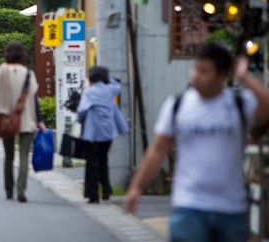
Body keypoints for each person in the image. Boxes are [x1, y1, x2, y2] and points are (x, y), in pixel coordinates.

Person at [125, 42, 269, 242]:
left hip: (231, 208)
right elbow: (158, 150)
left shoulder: (238, 104)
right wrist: (136, 187)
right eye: (195, 68)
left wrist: (244, 76)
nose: (195, 76)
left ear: (221, 76)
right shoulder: (177, 105)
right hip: (189, 205)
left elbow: (266, 107)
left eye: (204, 71)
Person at [0, 42, 47, 203]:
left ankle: (9, 190)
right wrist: (40, 121)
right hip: (27, 119)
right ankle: (21, 190)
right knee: (24, 156)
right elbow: (34, 100)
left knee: (8, 156)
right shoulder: (28, 74)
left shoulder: (0, 71)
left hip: (6, 119)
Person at [76, 66, 128, 204]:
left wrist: (79, 120)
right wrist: (106, 78)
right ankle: (106, 190)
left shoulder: (89, 93)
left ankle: (93, 194)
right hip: (108, 133)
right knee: (103, 160)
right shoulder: (110, 90)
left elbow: (82, 110)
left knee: (92, 163)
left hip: (92, 133)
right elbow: (117, 86)